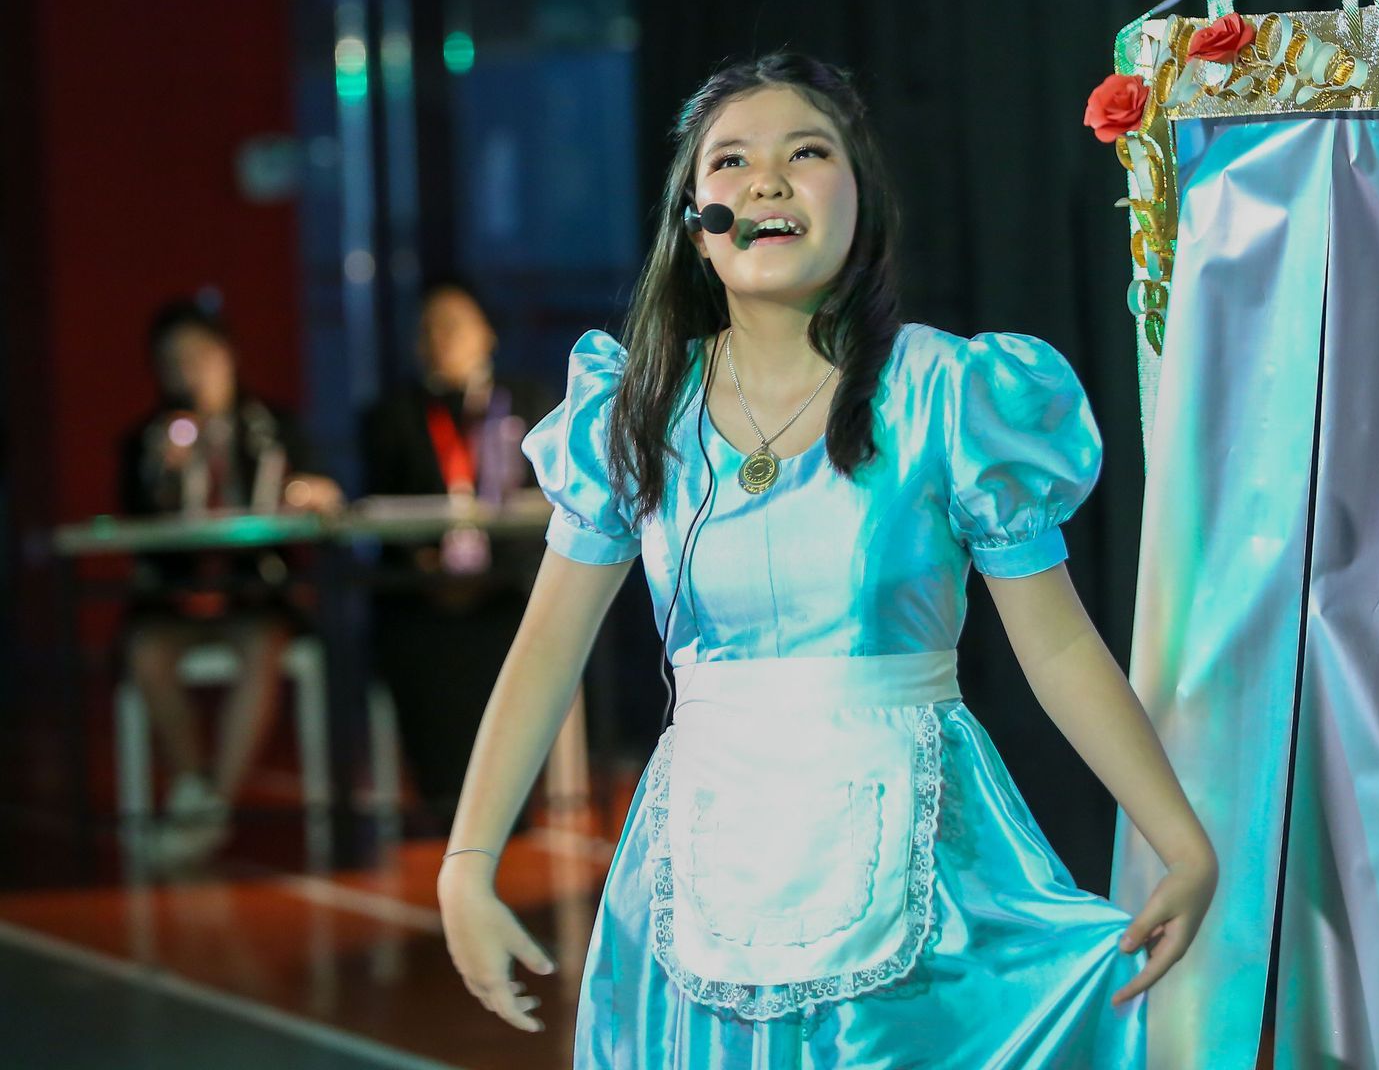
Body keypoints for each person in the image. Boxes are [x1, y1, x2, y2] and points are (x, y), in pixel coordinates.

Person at [436, 54, 1217, 1067]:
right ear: (693, 217)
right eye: (732, 161)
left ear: (862, 196)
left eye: (807, 152)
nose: (768, 180)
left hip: (931, 871)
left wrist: (1178, 836)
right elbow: (548, 645)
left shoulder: (949, 394)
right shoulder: (635, 409)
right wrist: (468, 857)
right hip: (697, 875)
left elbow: (1059, 640)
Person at [117, 299, 343, 867]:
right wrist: (161, 476)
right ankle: (195, 786)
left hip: (252, 596)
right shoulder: (145, 440)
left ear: (228, 357)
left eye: (199, 355)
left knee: (262, 648)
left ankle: (210, 806)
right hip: (175, 601)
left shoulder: (272, 426)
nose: (189, 371)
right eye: (174, 361)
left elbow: (320, 493)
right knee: (146, 653)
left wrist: (312, 493)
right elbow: (132, 527)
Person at [359, 279, 550, 831]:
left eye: (453, 324)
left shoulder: (529, 403)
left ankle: (512, 802)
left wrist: (492, 568)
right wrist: (427, 564)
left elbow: (548, 501)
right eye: (428, 329)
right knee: (410, 639)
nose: (440, 339)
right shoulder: (391, 416)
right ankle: (444, 800)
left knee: (525, 631)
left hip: (505, 581)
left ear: (486, 333)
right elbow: (383, 508)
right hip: (424, 589)